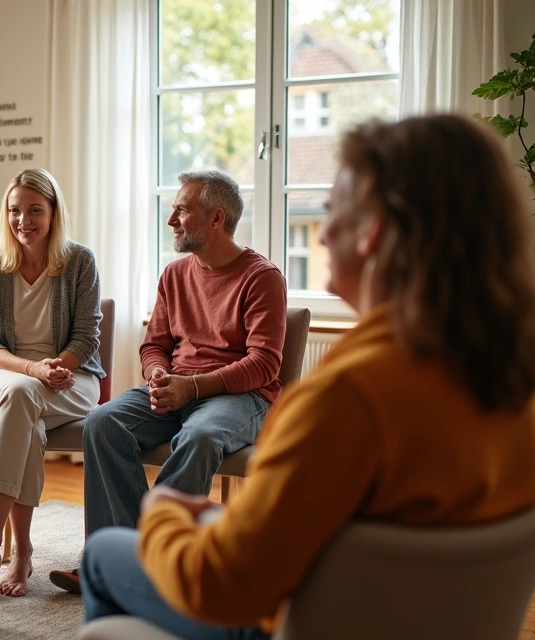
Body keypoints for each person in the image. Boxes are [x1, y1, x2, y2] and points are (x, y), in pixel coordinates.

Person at [81, 114, 535, 638]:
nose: (320, 238)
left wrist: (162, 512)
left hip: (288, 621)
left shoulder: (344, 400)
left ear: (374, 234)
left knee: (103, 554)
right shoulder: (510, 379)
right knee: (108, 427)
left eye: (330, 212)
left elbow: (228, 584)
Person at [51, 168, 287, 594]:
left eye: (181, 210)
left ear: (216, 219)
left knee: (199, 438)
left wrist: (191, 388)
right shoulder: (174, 274)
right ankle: (117, 551)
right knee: (103, 423)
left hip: (241, 396)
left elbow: (264, 365)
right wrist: (158, 373)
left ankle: (149, 559)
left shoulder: (262, 277)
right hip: (178, 387)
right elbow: (154, 345)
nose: (170, 220)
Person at [0, 168, 104, 599]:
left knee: (24, 409)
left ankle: (2, 548)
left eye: (34, 210)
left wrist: (56, 367)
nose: (23, 220)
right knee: (22, 397)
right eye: (14, 210)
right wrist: (33, 371)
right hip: (2, 376)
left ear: (54, 212)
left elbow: (87, 337)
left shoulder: (79, 261)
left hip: (73, 376)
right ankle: (13, 549)